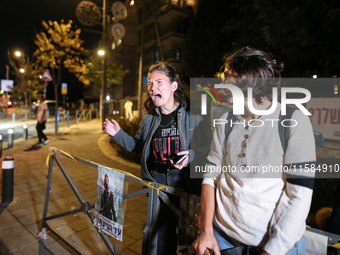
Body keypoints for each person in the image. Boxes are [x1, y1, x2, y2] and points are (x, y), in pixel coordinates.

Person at [194, 47, 316, 255]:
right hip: (222, 240)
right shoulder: (225, 122)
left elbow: (299, 196)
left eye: (229, 78)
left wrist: (272, 251)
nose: (222, 84)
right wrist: (206, 231)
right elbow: (210, 176)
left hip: (277, 248)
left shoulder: (294, 122)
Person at [104, 61, 211, 254]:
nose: (153, 88)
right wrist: (117, 133)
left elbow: (210, 146)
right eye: (149, 84)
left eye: (159, 82)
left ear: (174, 86)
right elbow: (137, 147)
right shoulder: (149, 119)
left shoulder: (193, 114)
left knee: (190, 242)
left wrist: (191, 155)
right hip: (158, 190)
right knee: (162, 243)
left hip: (187, 189)